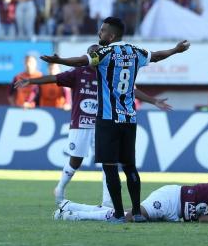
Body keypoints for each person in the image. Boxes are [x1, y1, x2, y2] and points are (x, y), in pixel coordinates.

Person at [40, 17, 190, 223]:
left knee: (109, 167)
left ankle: (119, 213)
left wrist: (60, 61)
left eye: (102, 31)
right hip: (129, 118)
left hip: (108, 119)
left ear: (111, 36)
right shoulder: (136, 51)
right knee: (130, 167)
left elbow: (81, 62)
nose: (99, 34)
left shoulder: (104, 53)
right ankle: (136, 212)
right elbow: (156, 56)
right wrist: (175, 50)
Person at [15, 44, 173, 207]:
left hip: (104, 123)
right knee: (76, 160)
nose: (93, 57)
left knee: (108, 162)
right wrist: (31, 81)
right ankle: (60, 188)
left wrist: (153, 100)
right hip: (81, 122)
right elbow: (54, 78)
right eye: (91, 54)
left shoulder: (110, 70)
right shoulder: (78, 73)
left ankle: (107, 202)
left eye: (96, 54)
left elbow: (131, 90)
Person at [53, 170, 208, 223]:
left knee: (129, 213)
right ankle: (72, 216)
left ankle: (69, 205)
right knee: (130, 217)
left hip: (175, 214)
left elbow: (203, 220)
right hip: (173, 198)